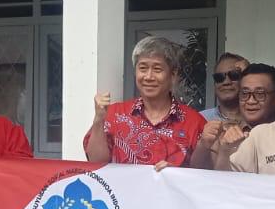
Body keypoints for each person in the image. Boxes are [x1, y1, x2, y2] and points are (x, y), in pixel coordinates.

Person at [85, 36, 206, 167]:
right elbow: (96, 163)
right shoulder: (114, 114)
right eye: (143, 68)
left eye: (157, 69)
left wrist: (177, 174)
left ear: (173, 75)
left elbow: (205, 174)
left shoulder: (194, 122)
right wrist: (98, 120)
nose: (148, 77)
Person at [193, 62, 275, 171]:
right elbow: (203, 177)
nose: (251, 101)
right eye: (244, 94)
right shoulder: (226, 134)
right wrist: (219, 149)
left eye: (260, 94)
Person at [200, 52, 249, 121]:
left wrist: (250, 72)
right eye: (219, 77)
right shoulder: (200, 119)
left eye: (234, 75)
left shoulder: (260, 118)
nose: (226, 82)